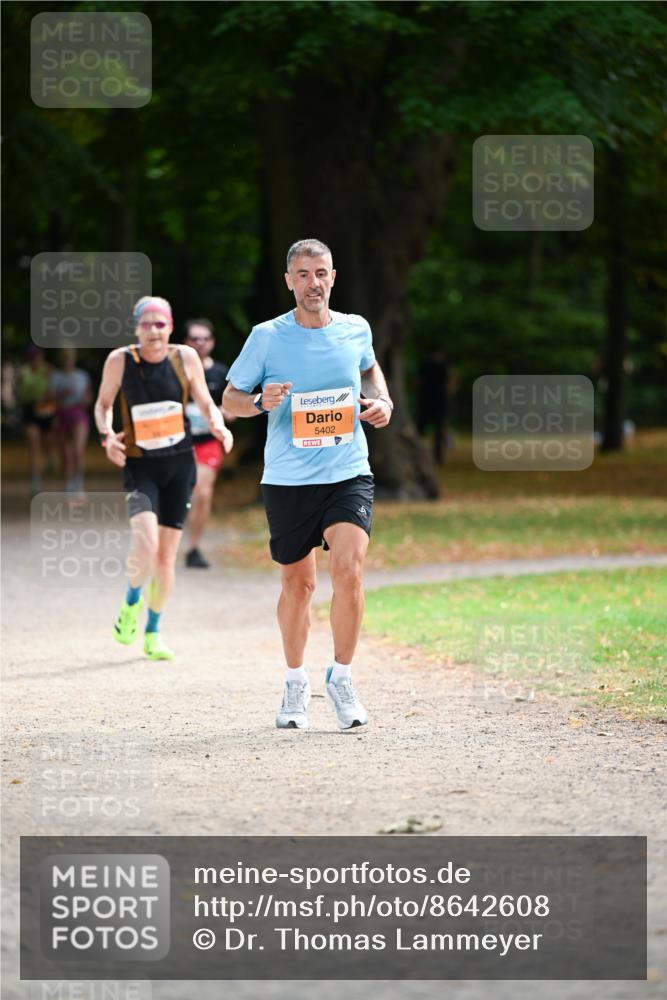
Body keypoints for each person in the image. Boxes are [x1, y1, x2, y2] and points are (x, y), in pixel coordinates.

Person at [223, 238, 392, 731]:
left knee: (349, 571)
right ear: (289, 281)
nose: (313, 283)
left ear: (333, 277)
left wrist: (382, 400)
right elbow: (230, 398)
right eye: (303, 274)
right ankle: (295, 681)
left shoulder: (355, 328)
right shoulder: (266, 337)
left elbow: (369, 369)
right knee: (299, 586)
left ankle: (342, 677)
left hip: (348, 471)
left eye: (320, 273)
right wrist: (259, 402)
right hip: (288, 479)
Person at [94, 296, 234, 660]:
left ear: (170, 327)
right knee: (145, 544)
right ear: (136, 328)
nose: (154, 331)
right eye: (146, 324)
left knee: (165, 558)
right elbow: (103, 405)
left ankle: (153, 632)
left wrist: (218, 426)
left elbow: (205, 401)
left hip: (179, 466)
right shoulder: (120, 360)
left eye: (160, 324)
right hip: (140, 466)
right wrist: (107, 436)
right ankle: (131, 602)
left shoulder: (184, 357)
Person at [182, 317, 236, 568]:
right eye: (195, 338)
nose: (200, 343)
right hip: (176, 443)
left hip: (207, 442)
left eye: (205, 338)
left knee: (202, 493)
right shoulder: (175, 370)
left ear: (212, 342)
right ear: (186, 341)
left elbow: (234, 407)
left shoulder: (221, 373)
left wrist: (225, 413)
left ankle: (194, 548)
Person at [49, 347, 92, 496]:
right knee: (65, 453)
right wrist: (63, 394)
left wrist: (86, 400)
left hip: (78, 413)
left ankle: (79, 483)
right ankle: (69, 484)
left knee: (78, 450)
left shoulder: (82, 375)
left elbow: (89, 395)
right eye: (65, 358)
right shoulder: (56, 376)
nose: (68, 361)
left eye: (70, 358)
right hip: (62, 414)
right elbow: (49, 398)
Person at [17, 345, 57, 495]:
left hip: (46, 408)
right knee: (34, 445)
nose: (35, 360)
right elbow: (21, 392)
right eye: (32, 357)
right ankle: (35, 480)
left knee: (47, 441)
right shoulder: (23, 372)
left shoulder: (49, 370)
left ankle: (49, 457)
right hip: (30, 409)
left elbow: (54, 391)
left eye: (37, 357)